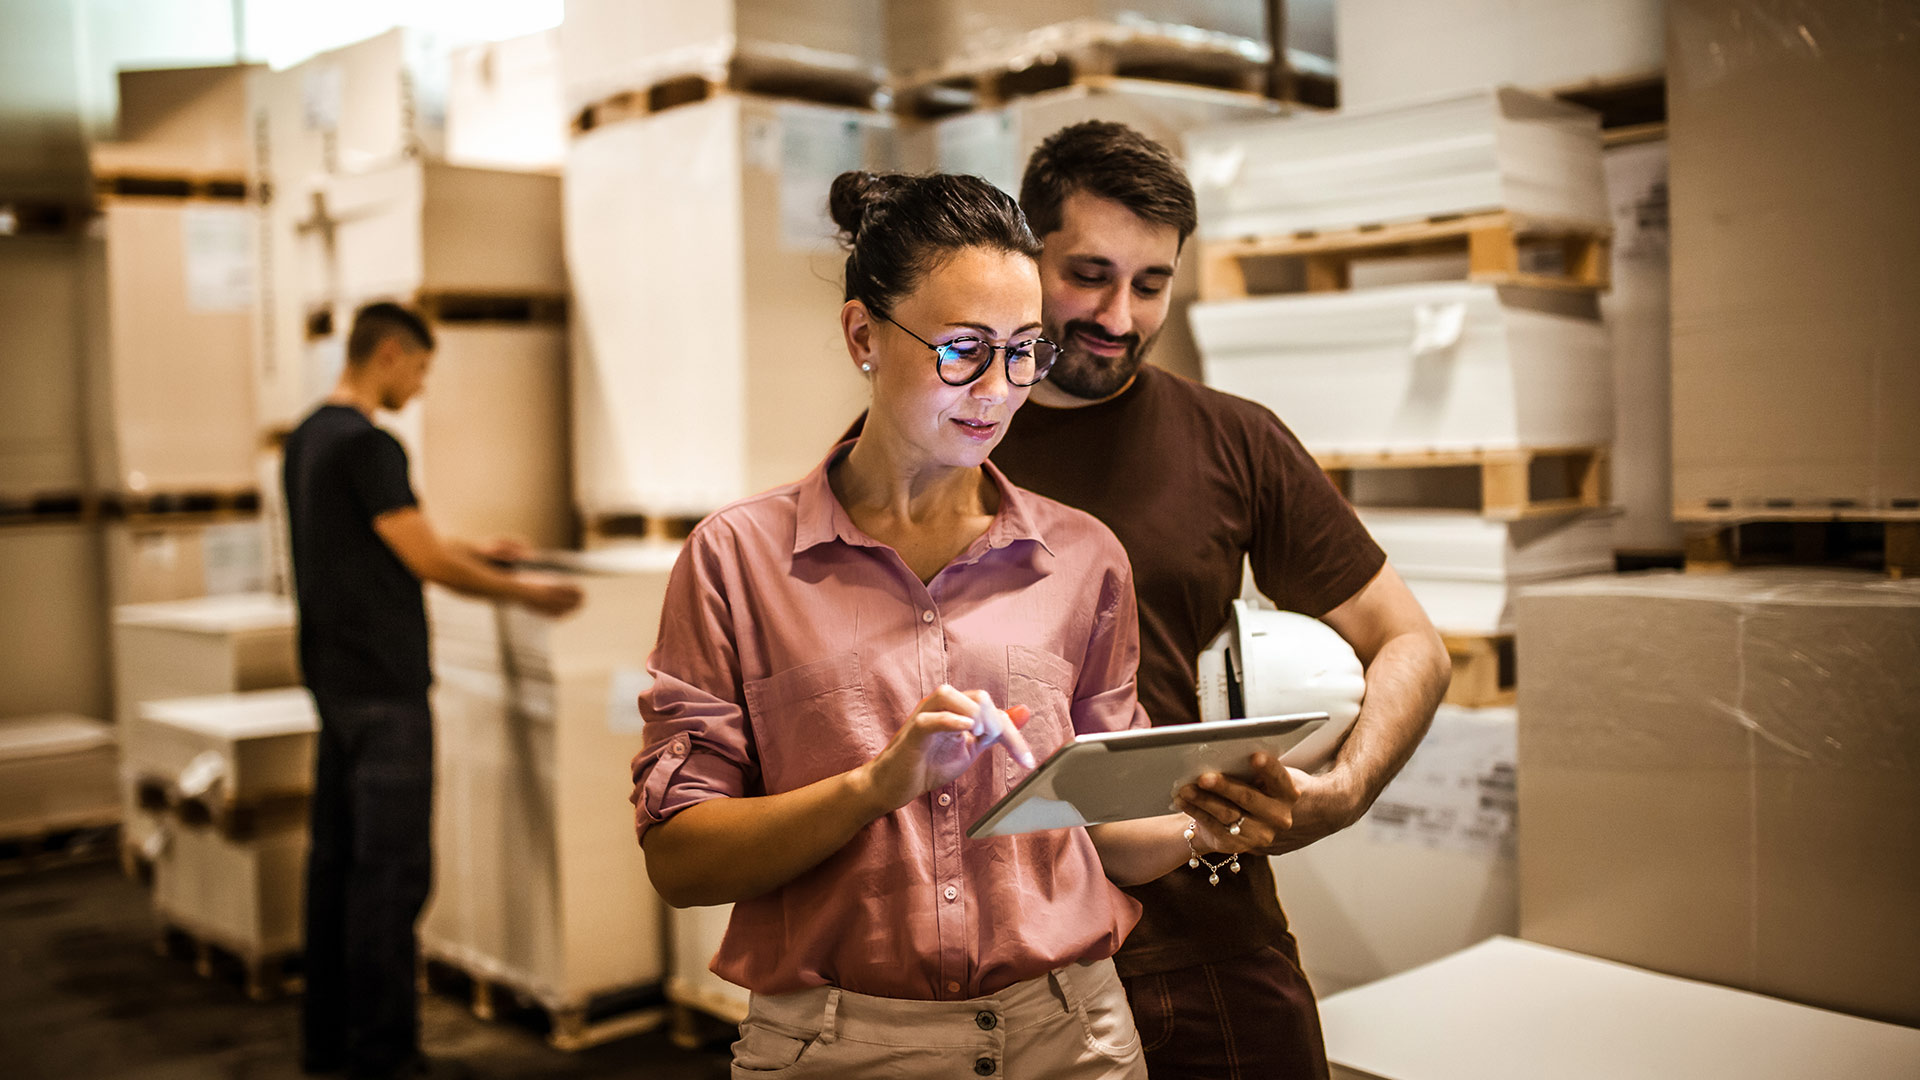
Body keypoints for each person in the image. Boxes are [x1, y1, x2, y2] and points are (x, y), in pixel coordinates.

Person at [630, 172, 1264, 1080]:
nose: (997, 392)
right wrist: (873, 787)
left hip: (1072, 1038)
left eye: (1022, 352)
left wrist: (1212, 817)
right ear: (863, 335)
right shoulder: (738, 561)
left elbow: (1108, 834)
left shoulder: (1084, 559)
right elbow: (682, 864)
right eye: (963, 350)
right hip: (834, 1048)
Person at [994, 122, 1454, 1078]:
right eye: (1088, 275)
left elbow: (1410, 642)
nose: (1120, 316)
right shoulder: (942, 443)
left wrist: (1343, 792)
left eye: (1152, 284)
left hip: (1210, 947)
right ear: (1023, 254)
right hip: (1004, 968)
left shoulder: (1233, 441)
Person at [283, 301, 583, 1080]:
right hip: (385, 692)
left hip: (334, 686)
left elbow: (384, 538)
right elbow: (424, 562)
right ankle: (384, 1056)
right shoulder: (370, 445)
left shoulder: (311, 437)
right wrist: (523, 592)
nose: (417, 387)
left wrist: (475, 545)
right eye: (418, 370)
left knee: (336, 868)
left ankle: (329, 1045)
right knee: (393, 875)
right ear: (388, 354)